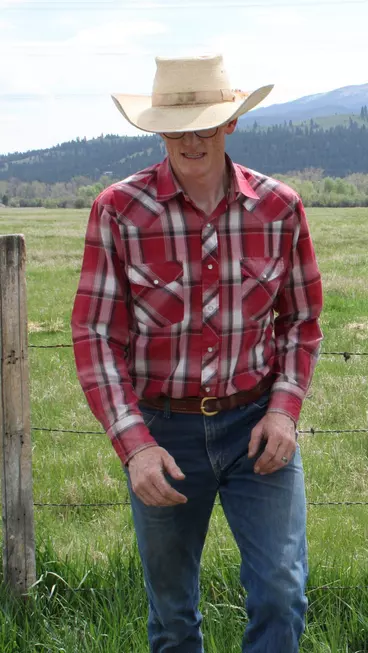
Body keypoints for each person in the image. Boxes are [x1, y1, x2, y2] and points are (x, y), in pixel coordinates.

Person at [70, 54, 324, 653]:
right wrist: (134, 447)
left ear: (230, 124)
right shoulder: (118, 212)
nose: (192, 139)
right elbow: (95, 337)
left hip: (256, 426)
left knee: (281, 595)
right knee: (174, 616)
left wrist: (284, 410)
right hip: (162, 433)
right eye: (178, 126)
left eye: (206, 123)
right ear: (158, 129)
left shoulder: (279, 207)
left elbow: (302, 320)